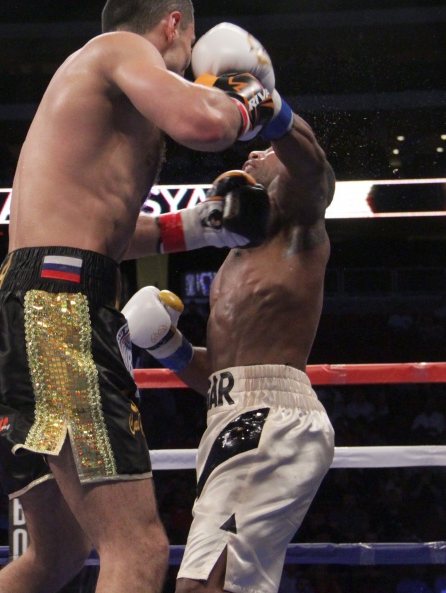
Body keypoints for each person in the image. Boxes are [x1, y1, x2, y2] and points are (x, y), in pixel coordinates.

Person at [0, 4, 275, 593]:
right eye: (189, 43)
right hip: (58, 314)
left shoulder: (91, 90)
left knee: (58, 554)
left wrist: (204, 225)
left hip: (20, 310)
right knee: (137, 548)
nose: (186, 63)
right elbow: (205, 124)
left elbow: (105, 232)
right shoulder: (121, 48)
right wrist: (250, 98)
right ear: (172, 24)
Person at [122, 23, 336, 593]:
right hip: (235, 417)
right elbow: (222, 378)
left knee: (202, 586)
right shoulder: (237, 263)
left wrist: (272, 108)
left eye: (269, 150)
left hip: (268, 420)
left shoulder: (300, 224)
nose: (257, 151)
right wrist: (167, 347)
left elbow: (312, 168)